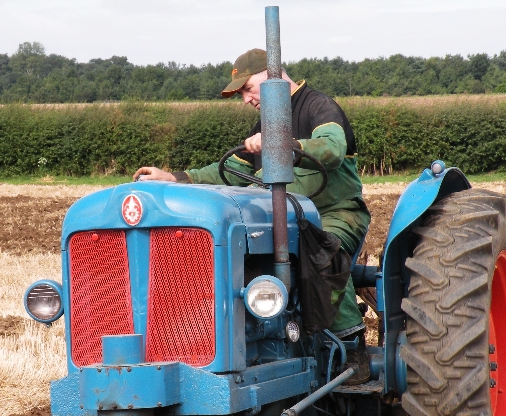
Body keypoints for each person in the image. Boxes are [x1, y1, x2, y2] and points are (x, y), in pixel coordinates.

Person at [133, 49, 371, 384]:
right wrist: (175, 178)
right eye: (241, 94)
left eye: (248, 89)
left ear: (270, 75)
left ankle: (351, 344)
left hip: (334, 212)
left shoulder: (318, 106)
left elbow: (331, 148)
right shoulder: (265, 125)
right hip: (284, 218)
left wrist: (284, 143)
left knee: (320, 250)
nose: (246, 99)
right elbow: (231, 170)